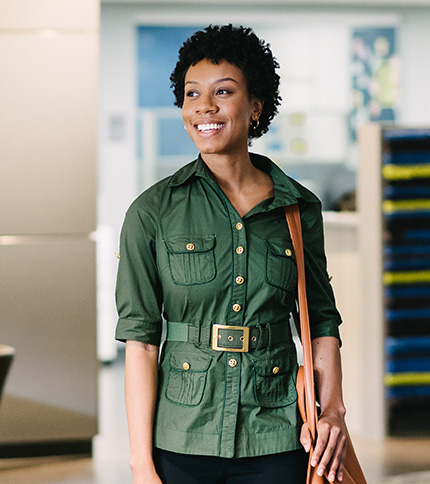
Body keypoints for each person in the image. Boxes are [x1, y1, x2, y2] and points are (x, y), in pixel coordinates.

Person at [115, 24, 347, 484]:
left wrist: (334, 411)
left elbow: (320, 322)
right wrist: (141, 464)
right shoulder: (151, 212)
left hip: (279, 432)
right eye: (191, 94)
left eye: (223, 91)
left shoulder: (299, 208)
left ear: (256, 107)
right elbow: (140, 341)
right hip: (182, 437)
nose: (204, 106)